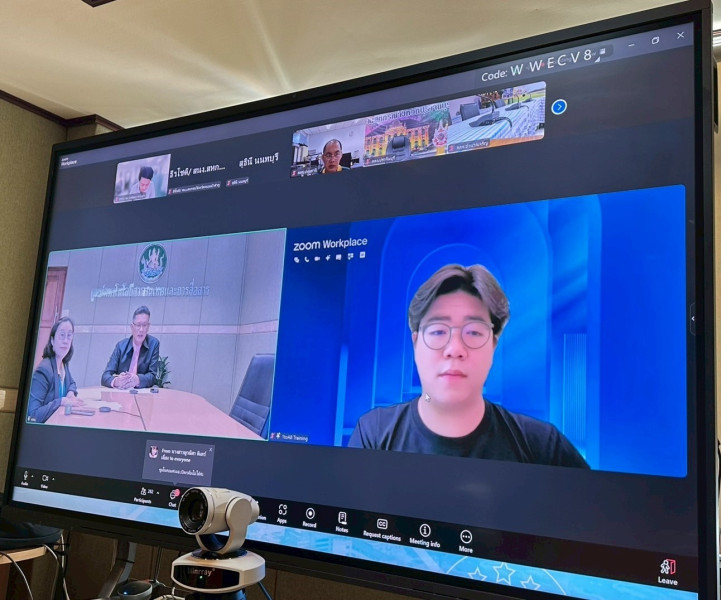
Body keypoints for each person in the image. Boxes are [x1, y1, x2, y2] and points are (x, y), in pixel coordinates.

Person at [348, 264, 589, 468]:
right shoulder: (374, 435)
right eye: (438, 331)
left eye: (473, 332)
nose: (455, 349)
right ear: (416, 344)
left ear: (493, 345)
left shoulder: (542, 446)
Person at [27, 317, 84, 423]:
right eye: (62, 335)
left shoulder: (63, 364)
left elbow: (72, 383)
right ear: (52, 340)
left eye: (69, 336)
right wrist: (61, 402)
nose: (65, 341)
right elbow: (33, 416)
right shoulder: (43, 371)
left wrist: (70, 393)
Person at [101, 306, 160, 389]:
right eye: (138, 325)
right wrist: (116, 381)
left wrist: (137, 380)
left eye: (144, 325)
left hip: (141, 393)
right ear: (132, 327)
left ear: (148, 327)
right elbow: (105, 376)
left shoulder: (154, 344)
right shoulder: (120, 346)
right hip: (121, 392)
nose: (141, 329)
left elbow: (152, 376)